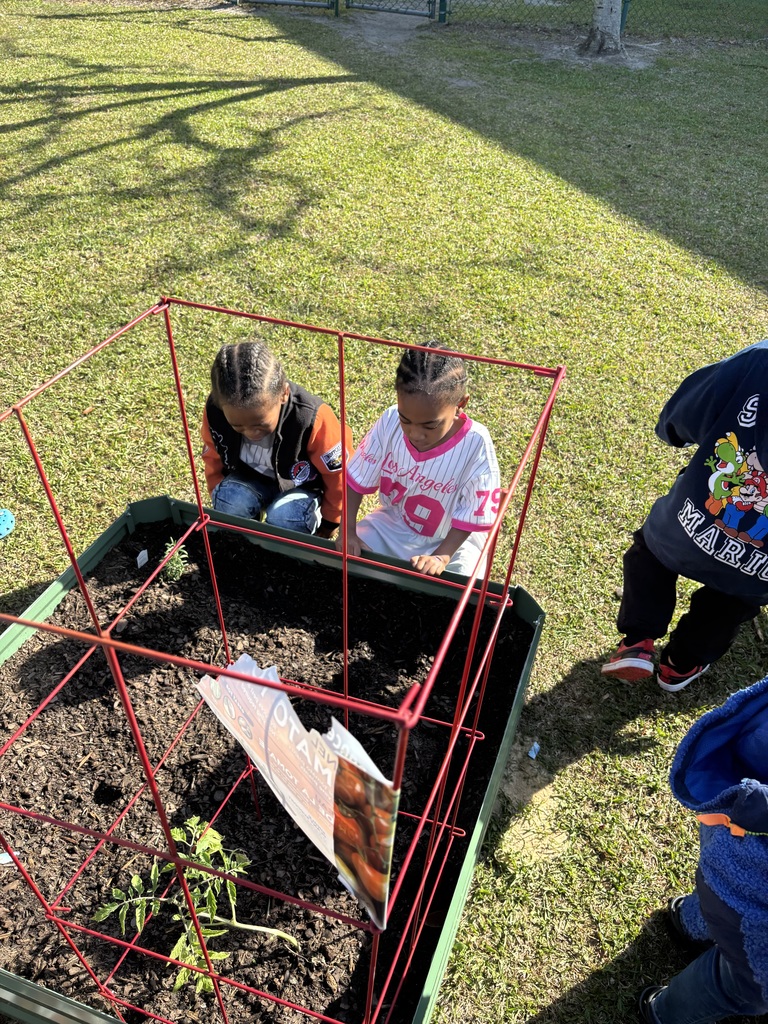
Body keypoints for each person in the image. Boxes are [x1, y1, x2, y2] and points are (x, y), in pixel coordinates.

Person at [602, 340, 768, 691]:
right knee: (732, 601)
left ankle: (638, 639)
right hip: (760, 567)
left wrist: (671, 430)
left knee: (652, 553)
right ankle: (682, 664)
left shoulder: (761, 360)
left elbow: (688, 409)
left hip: (690, 524)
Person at [637, 674, 768, 1023]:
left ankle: (690, 920)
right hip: (756, 903)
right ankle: (667, 1013)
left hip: (731, 841)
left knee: (725, 896)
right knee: (742, 985)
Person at [338, 340, 501, 577]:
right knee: (352, 558)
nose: (415, 433)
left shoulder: (476, 442)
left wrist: (442, 556)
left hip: (453, 540)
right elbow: (356, 479)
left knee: (465, 580)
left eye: (430, 425)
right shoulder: (390, 419)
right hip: (395, 525)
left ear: (460, 405)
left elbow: (474, 511)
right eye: (406, 420)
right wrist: (348, 530)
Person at [201, 341, 352, 538]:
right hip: (248, 479)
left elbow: (338, 476)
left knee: (286, 517)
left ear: (284, 394)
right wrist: (220, 496)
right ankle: (242, 542)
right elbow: (213, 457)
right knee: (231, 501)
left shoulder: (312, 418)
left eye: (260, 425)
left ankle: (286, 549)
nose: (250, 433)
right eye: (238, 426)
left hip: (300, 488)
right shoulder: (215, 412)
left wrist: (330, 524)